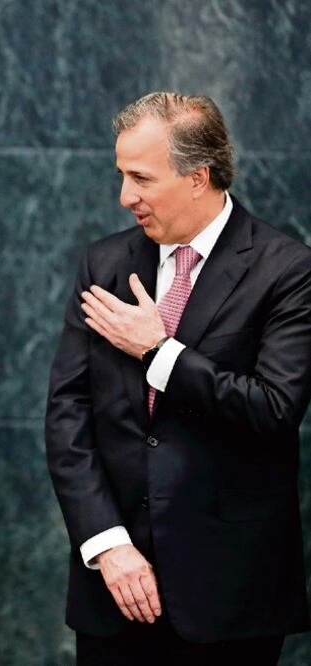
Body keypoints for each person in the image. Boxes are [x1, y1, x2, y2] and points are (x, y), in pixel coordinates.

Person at [46, 92, 311, 664]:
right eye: (121, 175)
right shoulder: (104, 263)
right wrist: (108, 545)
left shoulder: (288, 270)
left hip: (229, 596)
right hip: (113, 592)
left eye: (141, 177)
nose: (125, 197)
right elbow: (69, 415)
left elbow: (272, 410)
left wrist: (158, 351)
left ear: (198, 177)